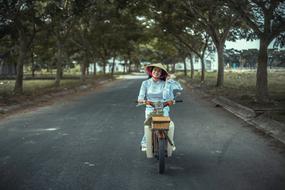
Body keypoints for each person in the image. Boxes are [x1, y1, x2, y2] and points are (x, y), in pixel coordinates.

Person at [137, 63, 183, 151]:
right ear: (151, 71)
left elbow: (168, 96)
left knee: (167, 124)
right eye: (155, 70)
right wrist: (142, 100)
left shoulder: (165, 83)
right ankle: (144, 142)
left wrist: (171, 100)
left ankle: (171, 142)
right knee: (149, 124)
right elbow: (141, 96)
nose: (156, 72)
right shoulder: (145, 83)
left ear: (161, 73)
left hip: (163, 106)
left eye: (159, 71)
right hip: (150, 106)